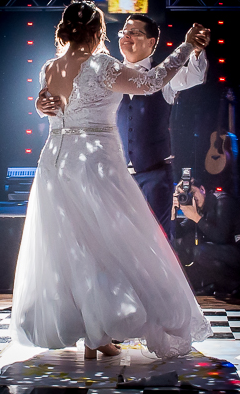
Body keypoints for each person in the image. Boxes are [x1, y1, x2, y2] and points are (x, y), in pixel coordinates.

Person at [11, 0, 212, 359]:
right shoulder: (101, 64)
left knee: (73, 246)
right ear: (98, 31)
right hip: (94, 164)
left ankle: (94, 332)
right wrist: (184, 46)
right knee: (110, 243)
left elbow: (53, 107)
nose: (123, 36)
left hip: (55, 163)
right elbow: (150, 82)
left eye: (134, 32)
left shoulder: (49, 67)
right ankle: (101, 329)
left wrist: (39, 107)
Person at [38, 14, 210, 233]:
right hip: (112, 174)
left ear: (151, 42)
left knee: (157, 236)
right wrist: (40, 104)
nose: (126, 37)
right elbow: (71, 102)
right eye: (123, 33)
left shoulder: (166, 75)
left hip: (154, 175)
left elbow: (195, 76)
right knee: (114, 237)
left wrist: (195, 50)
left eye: (134, 33)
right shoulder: (105, 72)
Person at [171, 181, 240, 297]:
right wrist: (173, 214)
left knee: (201, 251)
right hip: (225, 254)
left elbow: (221, 237)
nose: (192, 198)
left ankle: (238, 284)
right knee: (186, 243)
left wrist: (196, 217)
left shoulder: (222, 201)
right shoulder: (199, 208)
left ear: (202, 189)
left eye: (192, 192)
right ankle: (219, 285)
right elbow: (179, 235)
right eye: (187, 195)